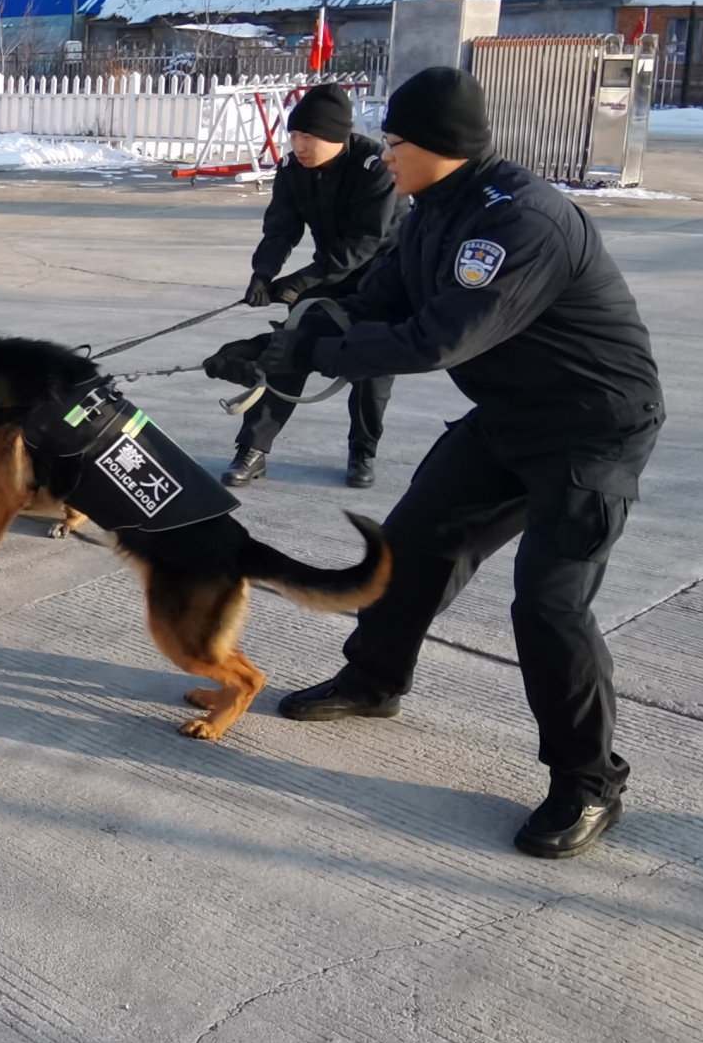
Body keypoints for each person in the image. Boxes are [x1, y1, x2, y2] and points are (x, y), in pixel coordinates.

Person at [251, 67, 665, 859]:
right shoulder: (430, 212)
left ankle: (588, 781)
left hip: (592, 429)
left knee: (549, 603)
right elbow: (383, 299)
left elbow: (439, 338)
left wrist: (326, 345)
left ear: (438, 147)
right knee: (408, 549)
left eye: (396, 145)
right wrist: (282, 345)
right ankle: (373, 681)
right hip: (508, 418)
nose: (383, 158)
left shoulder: (521, 222)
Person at [225, 82, 403, 490]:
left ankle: (362, 451)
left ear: (337, 136)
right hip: (330, 274)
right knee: (288, 348)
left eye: (310, 136)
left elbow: (365, 242)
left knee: (371, 364)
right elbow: (281, 227)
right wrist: (264, 274)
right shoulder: (293, 170)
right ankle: (252, 450)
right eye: (295, 135)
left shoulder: (375, 168)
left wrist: (302, 281)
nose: (299, 145)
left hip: (384, 277)